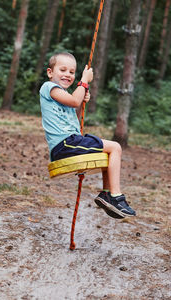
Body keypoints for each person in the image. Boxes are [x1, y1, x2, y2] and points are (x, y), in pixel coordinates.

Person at [39, 52, 136, 219]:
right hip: (65, 144)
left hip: (70, 142)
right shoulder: (48, 87)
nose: (68, 75)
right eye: (62, 70)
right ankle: (116, 196)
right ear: (50, 72)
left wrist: (82, 101)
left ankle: (106, 194)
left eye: (71, 72)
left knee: (109, 152)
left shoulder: (65, 97)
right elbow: (74, 102)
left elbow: (73, 120)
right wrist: (84, 81)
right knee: (115, 147)